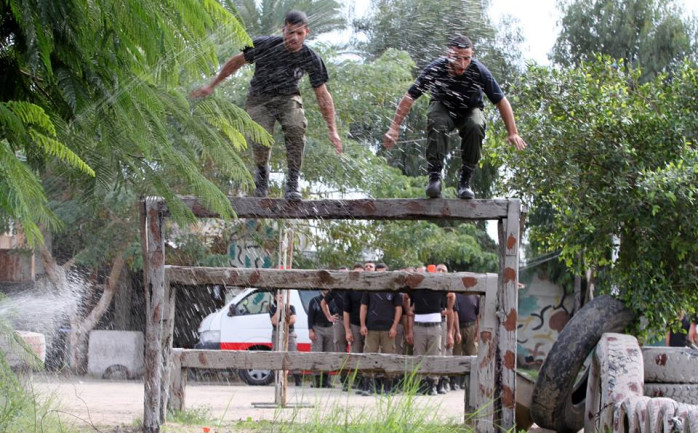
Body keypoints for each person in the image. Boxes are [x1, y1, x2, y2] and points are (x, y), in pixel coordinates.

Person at [190, 10, 342, 201]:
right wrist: (211, 85)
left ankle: (292, 183)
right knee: (260, 137)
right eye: (290, 32)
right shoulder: (264, 44)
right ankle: (262, 178)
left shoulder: (311, 57)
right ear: (283, 30)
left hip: (288, 99)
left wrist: (333, 130)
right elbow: (236, 62)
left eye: (299, 33)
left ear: (307, 33)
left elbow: (323, 95)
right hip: (259, 99)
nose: (294, 37)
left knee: (296, 127)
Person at [383, 35, 527, 199]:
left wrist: (513, 132)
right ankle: (435, 177)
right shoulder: (436, 69)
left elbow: (501, 101)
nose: (463, 64)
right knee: (437, 121)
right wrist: (394, 127)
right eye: (458, 58)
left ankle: (465, 180)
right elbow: (409, 97)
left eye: (467, 58)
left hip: (470, 110)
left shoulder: (479, 70)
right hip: (443, 108)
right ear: (448, 55)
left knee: (476, 124)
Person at [360, 264, 403, 395]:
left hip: (388, 329)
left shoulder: (393, 289)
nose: (380, 275)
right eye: (378, 272)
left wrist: (394, 326)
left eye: (383, 273)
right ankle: (368, 385)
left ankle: (388, 386)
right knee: (369, 356)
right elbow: (363, 308)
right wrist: (363, 325)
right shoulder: (369, 289)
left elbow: (398, 309)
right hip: (371, 328)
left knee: (389, 356)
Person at [269, 290, 302, 385]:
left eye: (282, 294)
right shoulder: (272, 308)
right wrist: (279, 308)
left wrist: (282, 322)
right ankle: (278, 379)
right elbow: (274, 321)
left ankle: (297, 379)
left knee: (293, 354)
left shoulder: (291, 307)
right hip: (277, 333)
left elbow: (293, 319)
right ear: (275, 297)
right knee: (277, 355)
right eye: (278, 294)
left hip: (290, 333)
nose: (280, 296)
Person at [308, 289, 334, 387]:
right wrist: (310, 330)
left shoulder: (333, 301)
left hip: (330, 327)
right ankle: (316, 379)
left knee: (328, 353)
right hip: (317, 328)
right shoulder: (314, 301)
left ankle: (326, 380)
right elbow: (310, 316)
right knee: (316, 353)